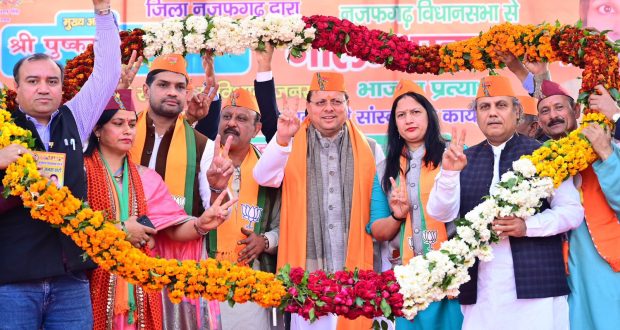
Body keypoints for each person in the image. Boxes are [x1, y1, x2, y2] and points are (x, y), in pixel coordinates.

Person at [426, 75, 584, 330]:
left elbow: (572, 212)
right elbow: (440, 211)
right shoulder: (462, 159)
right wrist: (448, 173)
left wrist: (528, 226)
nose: (492, 113)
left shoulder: (544, 155)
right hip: (482, 291)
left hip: (538, 287)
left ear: (517, 112)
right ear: (476, 115)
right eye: (484, 107)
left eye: (501, 105)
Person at [0, 1, 120, 328]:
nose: (43, 88)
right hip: (12, 281)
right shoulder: (2, 126)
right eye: (33, 81)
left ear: (61, 87)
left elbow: (108, 72)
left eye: (52, 81)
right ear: (17, 89)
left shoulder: (75, 118)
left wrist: (102, 11)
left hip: (69, 279)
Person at [85, 90, 235, 329]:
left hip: (141, 287)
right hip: (87, 284)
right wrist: (122, 230)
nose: (128, 130)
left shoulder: (147, 178)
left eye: (132, 124)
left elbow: (171, 229)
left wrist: (200, 224)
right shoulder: (80, 174)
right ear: (97, 129)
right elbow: (72, 228)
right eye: (118, 123)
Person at [253, 72, 384, 330]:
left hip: (358, 269)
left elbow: (379, 207)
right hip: (309, 271)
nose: (328, 108)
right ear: (308, 107)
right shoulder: (290, 144)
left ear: (348, 106)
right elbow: (264, 176)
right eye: (320, 102)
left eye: (336, 101)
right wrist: (281, 139)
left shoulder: (370, 148)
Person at [368, 79, 463, 330]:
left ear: (429, 117)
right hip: (407, 283)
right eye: (401, 115)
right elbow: (378, 230)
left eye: (415, 112)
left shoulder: (453, 158)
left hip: (453, 279)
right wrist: (398, 217)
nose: (409, 120)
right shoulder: (383, 169)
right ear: (395, 124)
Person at [536, 80, 620, 330]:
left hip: (602, 259)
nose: (553, 116)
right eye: (545, 111)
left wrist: (605, 154)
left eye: (560, 107)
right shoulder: (538, 158)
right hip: (555, 268)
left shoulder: (604, 143)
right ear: (538, 121)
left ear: (577, 111)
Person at [206, 88, 281, 330]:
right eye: (227, 116)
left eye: (241, 119)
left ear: (257, 128)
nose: (231, 124)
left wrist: (265, 241)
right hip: (202, 275)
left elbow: (287, 221)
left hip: (253, 279)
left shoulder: (270, 170)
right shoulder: (201, 161)